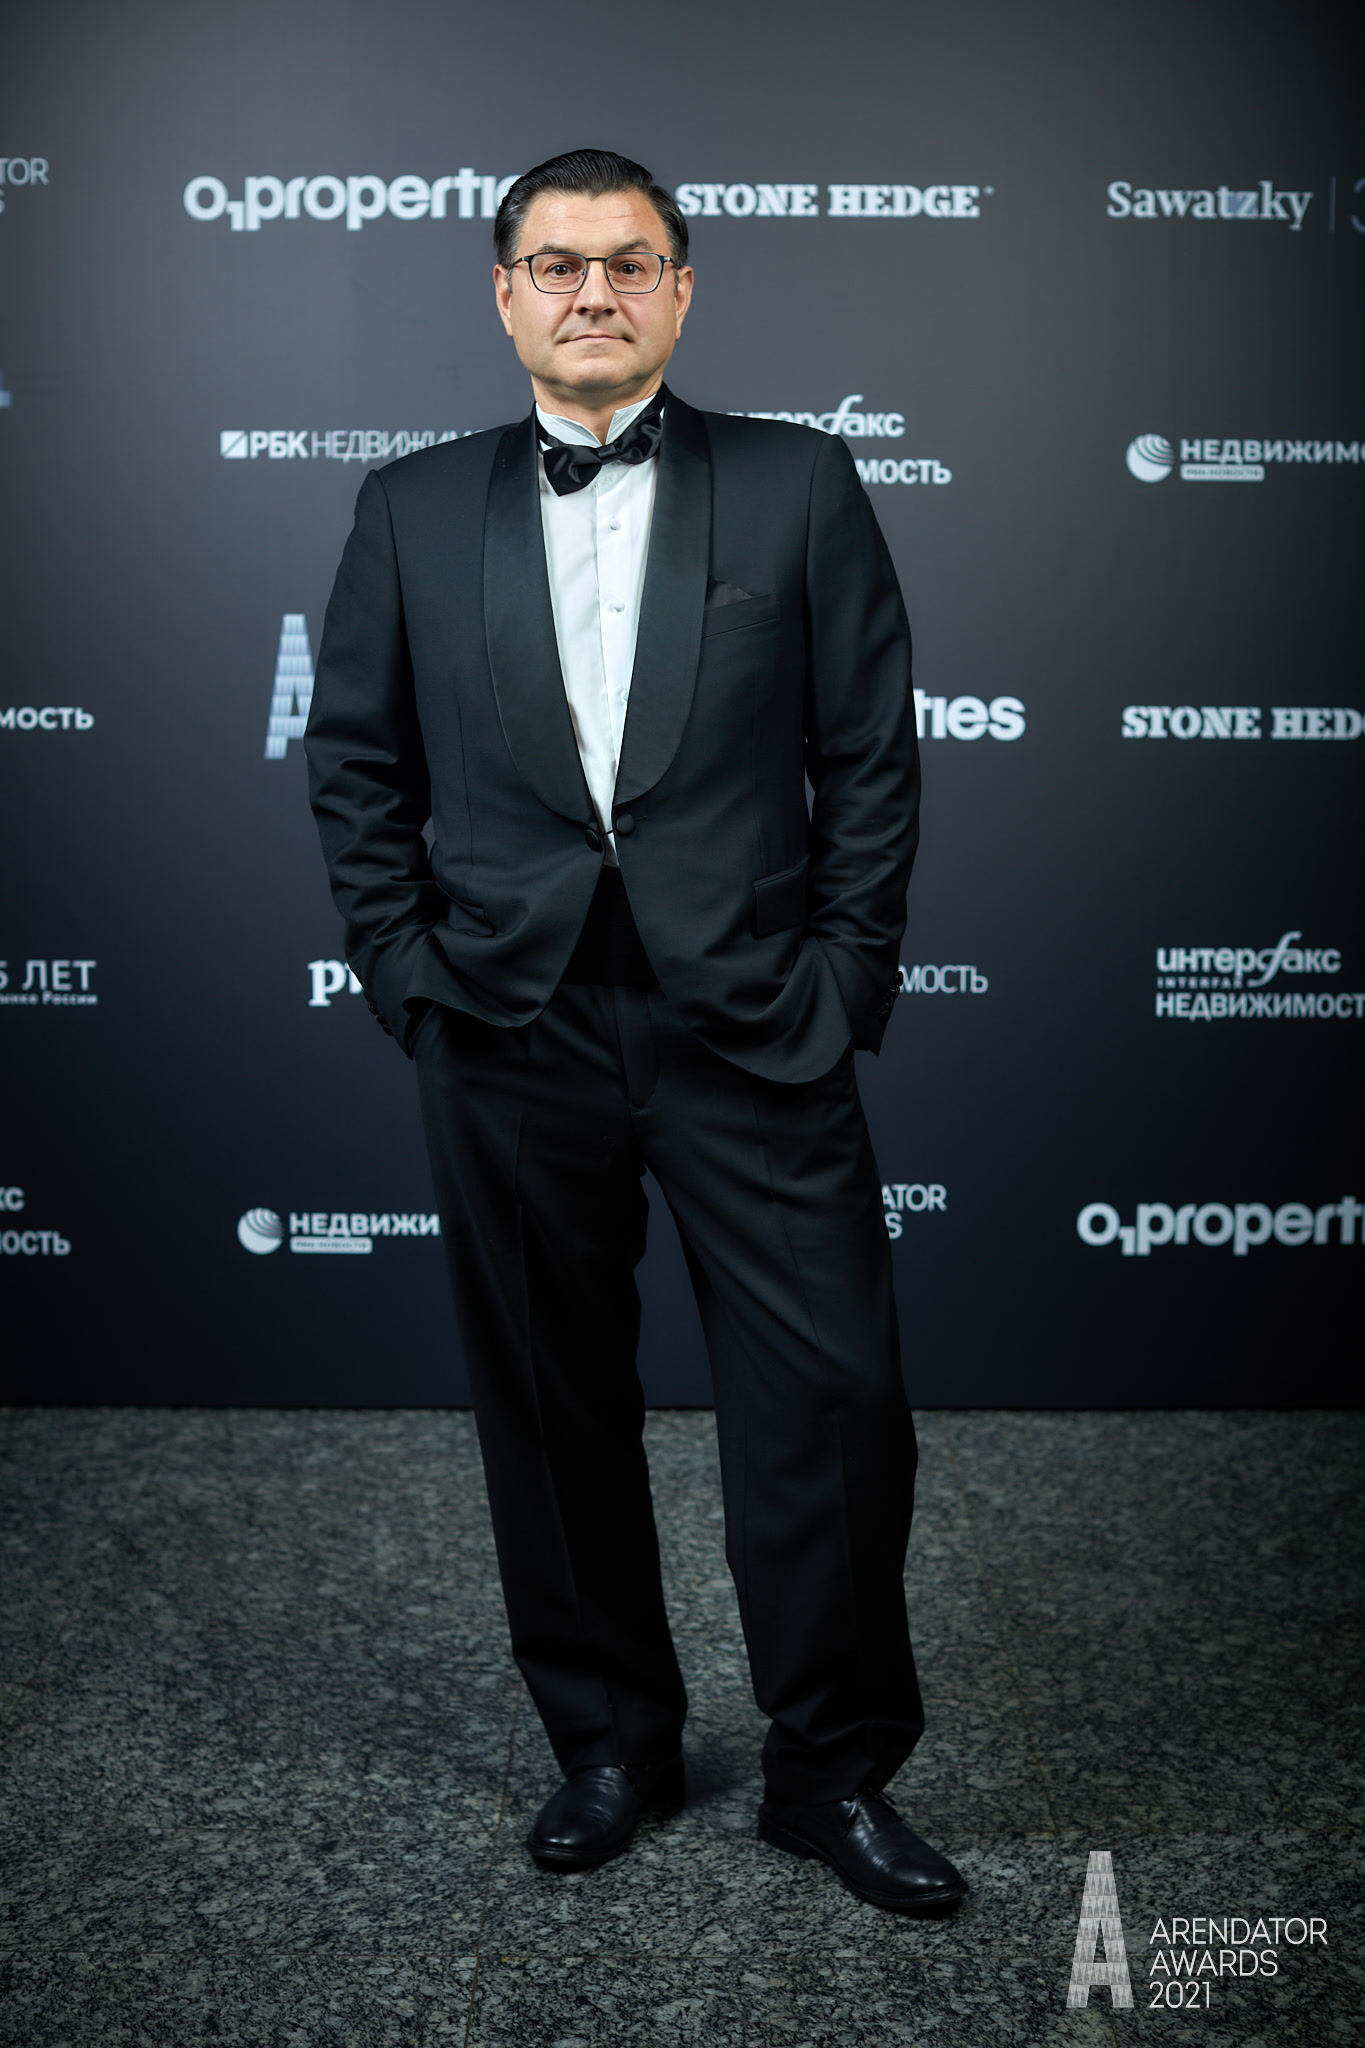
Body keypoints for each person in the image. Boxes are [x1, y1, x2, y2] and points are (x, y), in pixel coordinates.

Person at [305, 147, 965, 1915]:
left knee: (829, 1406)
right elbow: (354, 764)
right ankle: (608, 1742)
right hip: (506, 1025)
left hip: (752, 1022)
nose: (590, 291)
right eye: (555, 263)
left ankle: (831, 1774)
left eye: (626, 261)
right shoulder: (406, 505)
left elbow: (870, 756)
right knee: (549, 1399)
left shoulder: (799, 481)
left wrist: (843, 976)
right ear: (502, 293)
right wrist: (407, 972)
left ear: (679, 289)